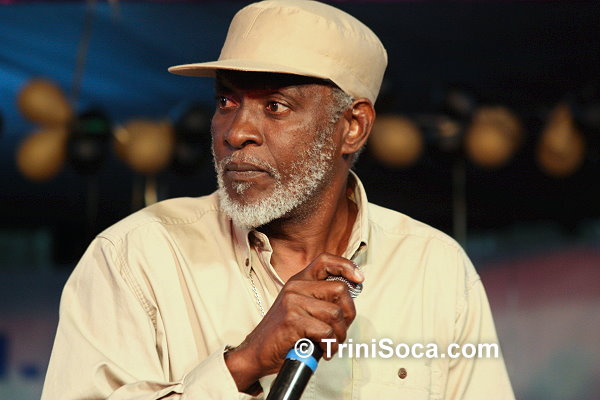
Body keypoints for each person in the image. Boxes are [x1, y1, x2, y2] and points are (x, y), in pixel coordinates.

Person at [42, 1, 514, 399]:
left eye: (275, 106)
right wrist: (243, 364)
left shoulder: (434, 269)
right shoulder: (136, 257)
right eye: (226, 102)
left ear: (352, 127)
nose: (236, 132)